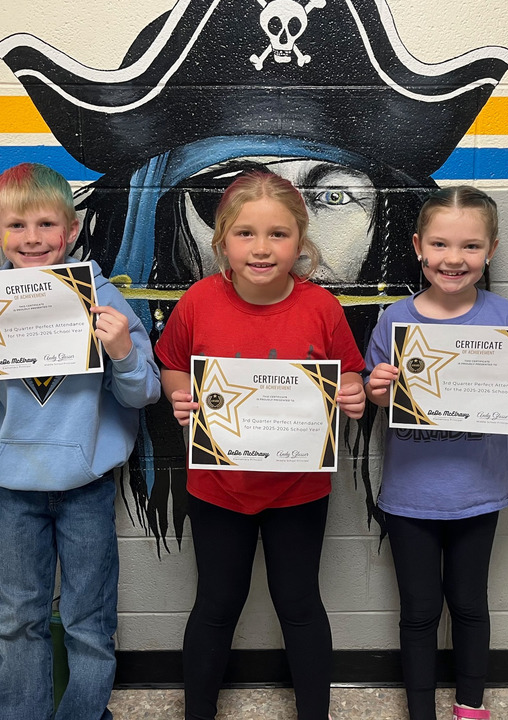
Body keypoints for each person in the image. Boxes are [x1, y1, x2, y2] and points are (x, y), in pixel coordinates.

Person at [0, 162, 162, 720]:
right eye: (18, 226)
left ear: (71, 230)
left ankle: (84, 713)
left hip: (87, 486)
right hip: (16, 489)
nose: (32, 238)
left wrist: (121, 351)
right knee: (17, 618)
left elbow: (143, 394)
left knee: (89, 616)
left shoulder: (103, 299)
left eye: (47, 224)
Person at [154, 170, 367, 720]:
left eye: (278, 234)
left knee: (298, 604)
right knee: (217, 605)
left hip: (298, 489)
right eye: (246, 233)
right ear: (221, 240)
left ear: (302, 240)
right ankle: (198, 713)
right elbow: (172, 364)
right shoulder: (200, 301)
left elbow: (350, 378)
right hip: (219, 486)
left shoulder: (321, 306)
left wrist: (353, 396)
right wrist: (180, 397)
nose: (262, 248)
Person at [364, 186, 508, 720]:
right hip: (411, 496)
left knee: (470, 603)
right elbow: (370, 394)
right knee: (419, 611)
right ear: (417, 246)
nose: (454, 259)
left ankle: (471, 705)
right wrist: (376, 388)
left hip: (480, 492)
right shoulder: (393, 321)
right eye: (441, 244)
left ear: (491, 251)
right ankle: (420, 710)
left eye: (471, 246)